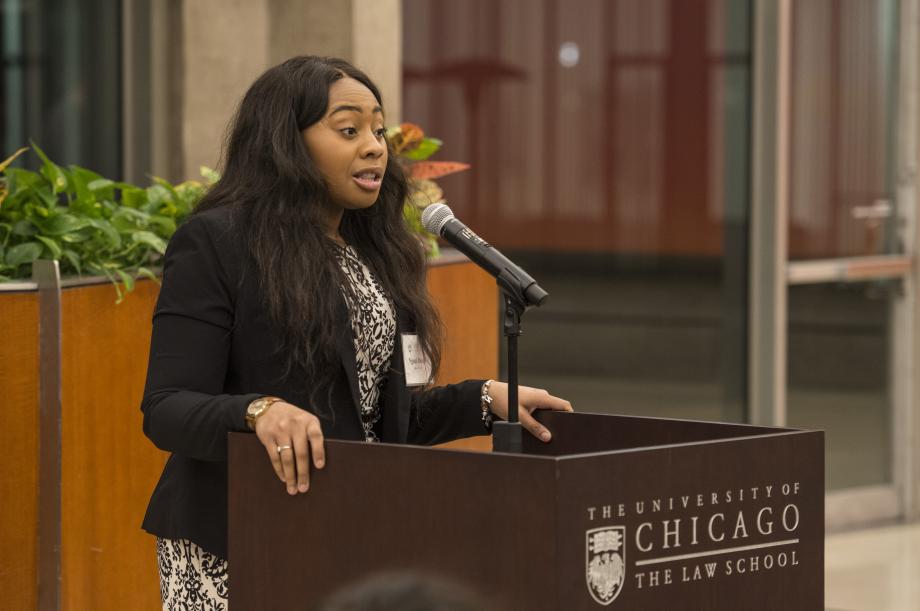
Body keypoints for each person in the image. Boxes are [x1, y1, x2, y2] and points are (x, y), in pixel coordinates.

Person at [140, 55, 573, 608]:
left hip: (348, 529)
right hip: (239, 538)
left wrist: (484, 401)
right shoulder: (218, 242)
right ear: (286, 144)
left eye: (377, 128)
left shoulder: (378, 253)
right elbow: (167, 408)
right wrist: (258, 412)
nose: (374, 146)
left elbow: (382, 420)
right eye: (349, 130)